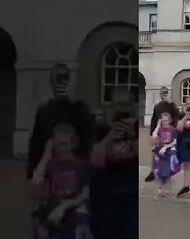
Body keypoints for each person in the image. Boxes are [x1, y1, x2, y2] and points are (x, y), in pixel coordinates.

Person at [28, 63, 94, 181]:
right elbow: (36, 141)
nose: (59, 84)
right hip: (50, 165)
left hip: (73, 165)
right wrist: (32, 169)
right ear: (51, 82)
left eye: (63, 79)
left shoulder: (79, 108)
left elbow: (87, 136)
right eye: (56, 80)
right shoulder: (44, 110)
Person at [89, 87, 138, 239]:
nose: (120, 113)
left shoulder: (136, 129)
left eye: (125, 108)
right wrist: (109, 137)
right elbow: (94, 162)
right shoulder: (99, 129)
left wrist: (133, 137)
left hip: (131, 194)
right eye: (117, 107)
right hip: (104, 193)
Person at [31, 124, 92, 239]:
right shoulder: (49, 163)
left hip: (73, 211)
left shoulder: (81, 164)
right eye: (57, 144)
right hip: (50, 212)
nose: (61, 148)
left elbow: (85, 193)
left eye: (65, 144)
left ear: (73, 144)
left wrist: (64, 206)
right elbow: (37, 181)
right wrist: (47, 154)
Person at [145, 88, 178, 182]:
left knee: (168, 153)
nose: (164, 95)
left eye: (166, 93)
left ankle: (167, 173)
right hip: (159, 131)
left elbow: (176, 117)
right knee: (155, 151)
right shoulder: (158, 106)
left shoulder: (172, 105)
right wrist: (152, 132)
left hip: (168, 131)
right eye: (162, 93)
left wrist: (173, 129)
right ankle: (153, 170)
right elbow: (154, 119)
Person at [151, 112, 178, 199]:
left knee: (168, 173)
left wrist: (166, 147)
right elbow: (154, 136)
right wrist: (158, 125)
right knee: (159, 173)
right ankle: (159, 192)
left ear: (169, 120)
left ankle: (168, 191)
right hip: (159, 154)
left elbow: (174, 141)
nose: (164, 122)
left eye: (166, 121)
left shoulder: (173, 130)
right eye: (163, 121)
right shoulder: (159, 129)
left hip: (168, 153)